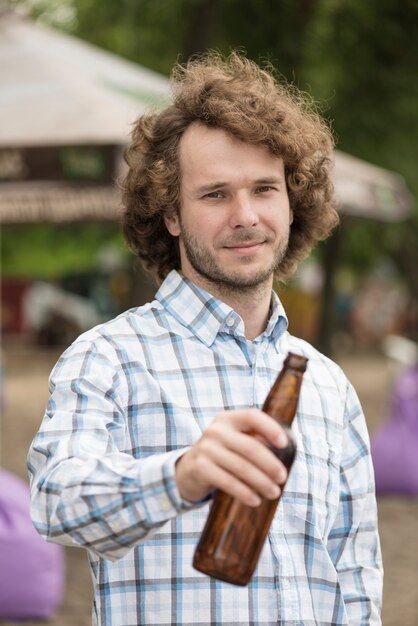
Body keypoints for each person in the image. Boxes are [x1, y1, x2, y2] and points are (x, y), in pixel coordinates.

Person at [28, 51, 383, 626]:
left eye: (265, 189)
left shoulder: (329, 385)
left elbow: (356, 579)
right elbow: (56, 501)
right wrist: (181, 475)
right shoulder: (107, 357)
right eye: (215, 194)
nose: (246, 215)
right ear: (170, 214)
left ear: (293, 202)